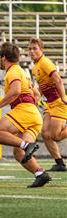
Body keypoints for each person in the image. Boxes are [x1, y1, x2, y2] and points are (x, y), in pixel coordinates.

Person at [0, 42, 50, 188]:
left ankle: (27, 144)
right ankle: (40, 174)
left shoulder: (13, 71)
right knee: (18, 152)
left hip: (24, 110)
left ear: (3, 58)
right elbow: (37, 94)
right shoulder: (22, 72)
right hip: (33, 114)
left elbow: (15, 91)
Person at [28, 38, 67, 172]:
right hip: (50, 104)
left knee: (56, 136)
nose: (31, 51)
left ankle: (60, 163)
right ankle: (60, 163)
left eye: (35, 49)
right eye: (30, 49)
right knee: (44, 133)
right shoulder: (35, 67)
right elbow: (42, 87)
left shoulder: (45, 62)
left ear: (41, 50)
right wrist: (34, 97)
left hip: (59, 103)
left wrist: (63, 97)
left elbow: (57, 79)